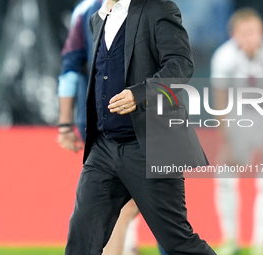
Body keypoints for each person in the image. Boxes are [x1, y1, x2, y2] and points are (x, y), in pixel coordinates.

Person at [62, 0, 216, 254]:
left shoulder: (159, 8)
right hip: (103, 147)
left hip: (149, 145)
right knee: (80, 240)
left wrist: (140, 94)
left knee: (177, 242)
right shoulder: (96, 18)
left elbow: (180, 65)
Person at [57, 1, 139, 255]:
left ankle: (128, 246)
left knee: (120, 199)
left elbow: (70, 68)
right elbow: (71, 68)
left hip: (99, 117)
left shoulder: (84, 10)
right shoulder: (88, 11)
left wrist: (65, 125)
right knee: (126, 203)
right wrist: (64, 125)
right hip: (119, 120)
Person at [211, 8, 263, 255]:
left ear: (262, 32)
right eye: (244, 33)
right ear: (233, 34)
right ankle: (231, 240)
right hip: (238, 122)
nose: (250, 38)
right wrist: (225, 138)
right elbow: (220, 98)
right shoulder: (223, 57)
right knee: (225, 179)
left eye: (254, 32)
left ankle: (260, 245)